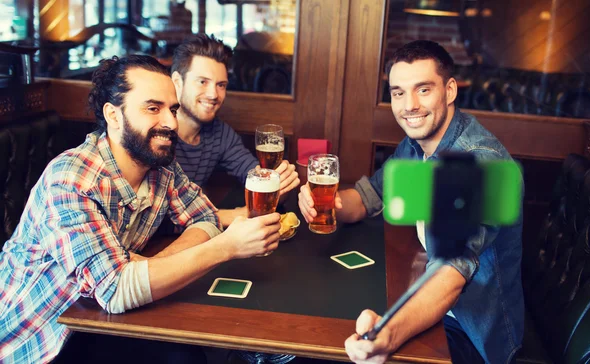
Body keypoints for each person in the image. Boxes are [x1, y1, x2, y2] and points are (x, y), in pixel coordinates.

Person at [0, 55, 281, 363]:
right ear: (114, 115)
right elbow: (116, 290)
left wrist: (150, 266)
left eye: (172, 109)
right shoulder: (72, 179)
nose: (171, 122)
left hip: (97, 320)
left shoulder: (160, 166)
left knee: (186, 356)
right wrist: (226, 248)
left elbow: (205, 216)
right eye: (152, 108)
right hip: (40, 339)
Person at [298, 40, 524, 364]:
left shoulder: (479, 164)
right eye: (398, 92)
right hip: (424, 294)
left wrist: (388, 335)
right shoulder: (416, 144)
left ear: (449, 91)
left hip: (468, 331)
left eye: (423, 89)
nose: (409, 105)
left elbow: (450, 272)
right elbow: (368, 198)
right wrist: (326, 202)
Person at [170, 34, 300, 226]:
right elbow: (159, 216)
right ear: (177, 82)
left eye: (221, 85)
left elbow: (258, 181)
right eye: (202, 82)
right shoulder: (158, 134)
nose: (213, 94)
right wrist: (237, 214)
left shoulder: (221, 134)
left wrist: (280, 185)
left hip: (192, 237)